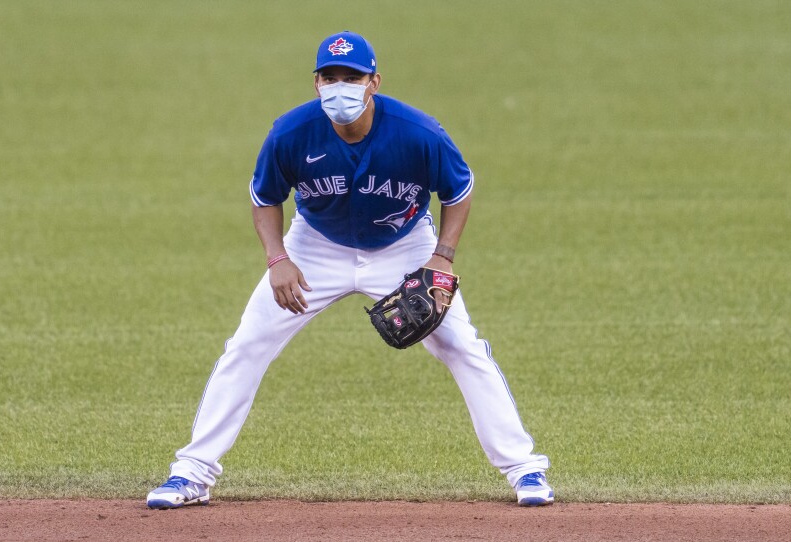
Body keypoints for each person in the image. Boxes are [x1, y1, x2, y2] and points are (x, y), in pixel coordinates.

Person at [146, 31, 553, 509]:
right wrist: (278, 259)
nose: (341, 87)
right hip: (315, 247)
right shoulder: (290, 133)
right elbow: (265, 199)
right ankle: (191, 474)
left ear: (374, 81)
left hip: (405, 246)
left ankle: (524, 470)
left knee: (462, 346)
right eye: (331, 77)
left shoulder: (418, 133)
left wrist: (442, 255)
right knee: (247, 345)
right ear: (317, 82)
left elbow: (458, 191)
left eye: (353, 77)